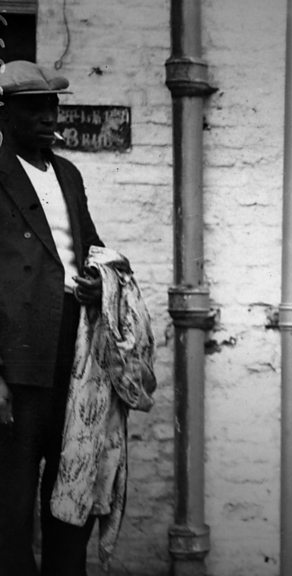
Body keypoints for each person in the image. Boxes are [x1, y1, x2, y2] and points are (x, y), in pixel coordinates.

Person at [0, 60, 104, 576]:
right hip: (15, 353)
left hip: (73, 345)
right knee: (10, 499)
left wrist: (99, 278)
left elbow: (93, 247)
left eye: (52, 106)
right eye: (33, 108)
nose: (48, 117)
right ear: (4, 115)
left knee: (71, 486)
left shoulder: (67, 173)